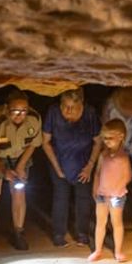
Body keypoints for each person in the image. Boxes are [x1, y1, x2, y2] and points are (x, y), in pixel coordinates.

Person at [0, 89, 43, 255]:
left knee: (19, 191)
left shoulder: (34, 119)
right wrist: (4, 171)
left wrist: (20, 166)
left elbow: (34, 143)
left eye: (23, 111)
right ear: (6, 109)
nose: (19, 115)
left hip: (20, 155)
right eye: (15, 111)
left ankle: (19, 232)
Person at [41, 88, 101, 247]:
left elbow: (98, 141)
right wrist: (57, 167)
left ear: (81, 105)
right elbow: (45, 141)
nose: (68, 111)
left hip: (83, 162)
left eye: (73, 107)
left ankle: (82, 233)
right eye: (65, 106)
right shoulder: (53, 112)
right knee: (60, 197)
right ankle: (58, 234)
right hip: (59, 160)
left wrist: (89, 166)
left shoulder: (90, 113)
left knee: (83, 198)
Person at [89, 119, 132, 262]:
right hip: (102, 194)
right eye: (104, 138)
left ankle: (118, 251)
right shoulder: (103, 155)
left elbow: (128, 176)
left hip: (116, 195)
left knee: (116, 223)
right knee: (100, 222)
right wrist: (95, 187)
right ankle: (97, 250)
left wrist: (116, 189)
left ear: (120, 137)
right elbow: (97, 172)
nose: (106, 141)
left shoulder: (123, 157)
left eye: (110, 138)